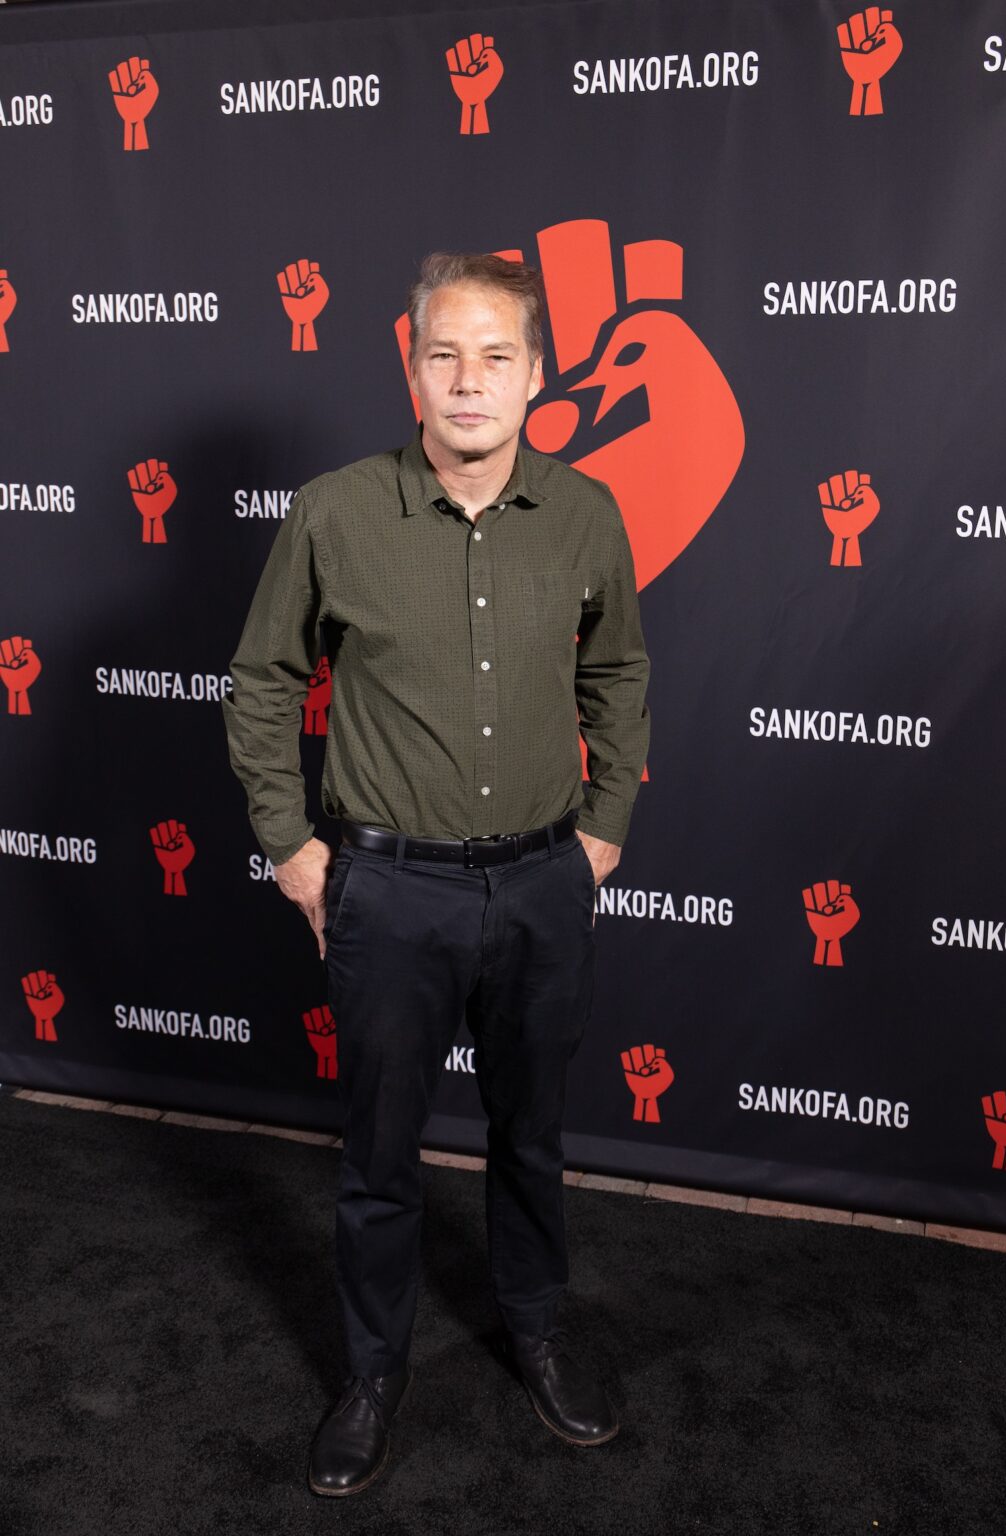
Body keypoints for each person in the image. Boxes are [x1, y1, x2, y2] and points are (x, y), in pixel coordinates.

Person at [224, 252, 651, 1497]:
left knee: (531, 1137)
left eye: (496, 357)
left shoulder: (584, 514)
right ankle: (369, 1373)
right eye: (444, 356)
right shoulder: (334, 511)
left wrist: (605, 826)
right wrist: (293, 851)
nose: (469, 382)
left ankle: (539, 1333)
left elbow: (617, 674)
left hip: (539, 884)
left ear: (538, 375)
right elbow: (260, 684)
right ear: (409, 370)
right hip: (385, 892)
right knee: (378, 1153)